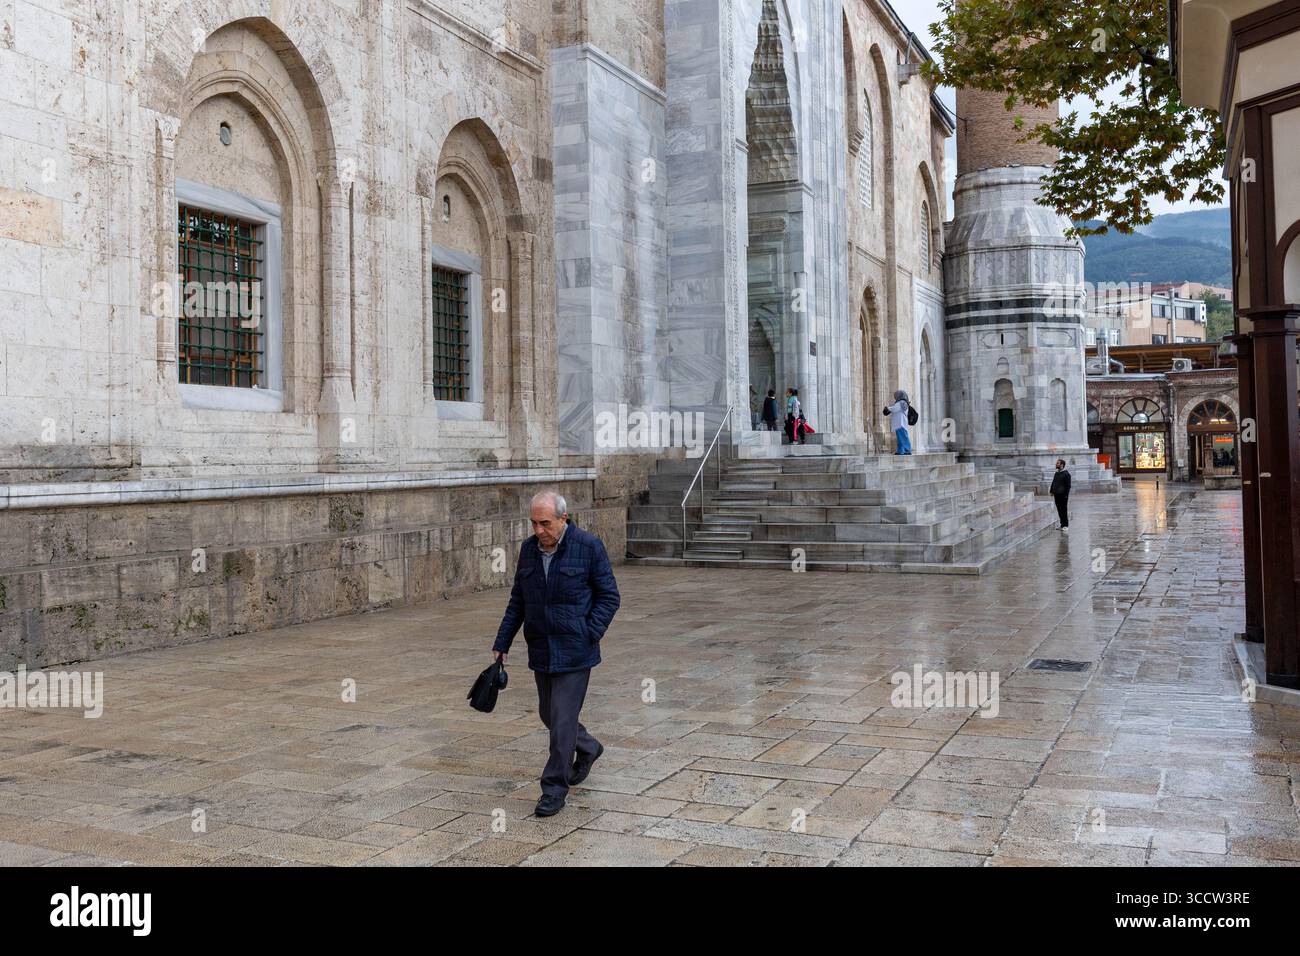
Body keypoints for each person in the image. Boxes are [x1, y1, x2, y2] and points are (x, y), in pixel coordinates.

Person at [492, 491, 620, 817]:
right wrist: (502, 641)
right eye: (534, 523)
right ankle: (589, 747)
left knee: (561, 721)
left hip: (576, 651)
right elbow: (518, 600)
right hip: (541, 649)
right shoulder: (529, 550)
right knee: (550, 715)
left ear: (564, 518)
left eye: (545, 523)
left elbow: (609, 597)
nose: (539, 530)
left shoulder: (589, 547)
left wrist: (588, 633)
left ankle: (553, 789)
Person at [882, 389, 912, 455]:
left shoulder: (901, 402)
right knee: (900, 438)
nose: (895, 397)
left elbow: (895, 408)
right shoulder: (904, 403)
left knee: (903, 437)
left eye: (896, 395)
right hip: (900, 423)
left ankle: (907, 449)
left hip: (900, 423)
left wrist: (888, 408)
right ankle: (901, 450)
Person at [1050, 458, 1071, 532]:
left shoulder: (1066, 474)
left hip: (1063, 495)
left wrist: (1066, 495)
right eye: (1057, 463)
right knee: (1059, 510)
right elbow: (1053, 482)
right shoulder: (1057, 473)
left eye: (1058, 463)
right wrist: (1051, 491)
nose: (1056, 464)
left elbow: (1068, 486)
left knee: (1064, 510)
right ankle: (1062, 524)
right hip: (1057, 494)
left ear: (1062, 465)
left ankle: (1066, 525)